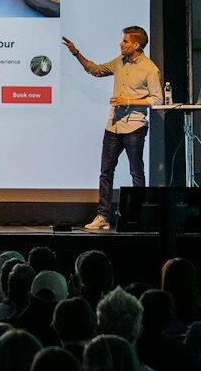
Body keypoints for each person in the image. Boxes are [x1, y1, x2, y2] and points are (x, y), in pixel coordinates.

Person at [62, 26, 161, 231]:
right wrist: (76, 52)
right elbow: (95, 70)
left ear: (136, 44)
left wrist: (128, 100)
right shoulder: (119, 61)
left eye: (124, 41)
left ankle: (137, 216)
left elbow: (157, 100)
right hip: (113, 126)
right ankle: (102, 217)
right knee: (105, 172)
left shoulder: (150, 68)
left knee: (136, 172)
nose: (120, 44)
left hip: (134, 126)